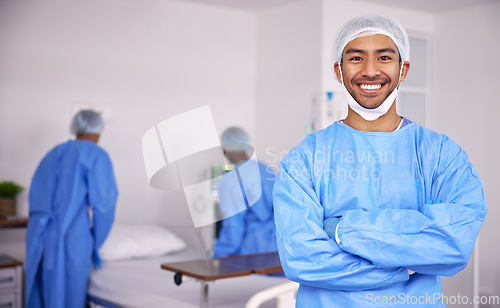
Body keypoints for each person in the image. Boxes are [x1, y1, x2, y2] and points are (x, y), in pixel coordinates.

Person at [273, 15, 487, 307]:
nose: (370, 71)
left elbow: (454, 244)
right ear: (339, 70)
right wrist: (406, 264)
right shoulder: (305, 158)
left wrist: (340, 229)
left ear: (403, 69)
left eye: (384, 57)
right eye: (356, 58)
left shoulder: (441, 155)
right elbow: (301, 257)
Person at [25, 110, 118, 308]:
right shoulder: (97, 156)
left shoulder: (52, 154)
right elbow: (105, 205)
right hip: (72, 239)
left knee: (41, 296)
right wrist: (94, 240)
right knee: (69, 297)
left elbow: (35, 199)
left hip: (39, 237)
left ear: (76, 128)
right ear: (99, 130)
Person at [212, 126, 278, 258]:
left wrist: (218, 257)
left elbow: (233, 228)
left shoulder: (230, 180)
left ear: (224, 150)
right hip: (279, 249)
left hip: (252, 253)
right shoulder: (267, 170)